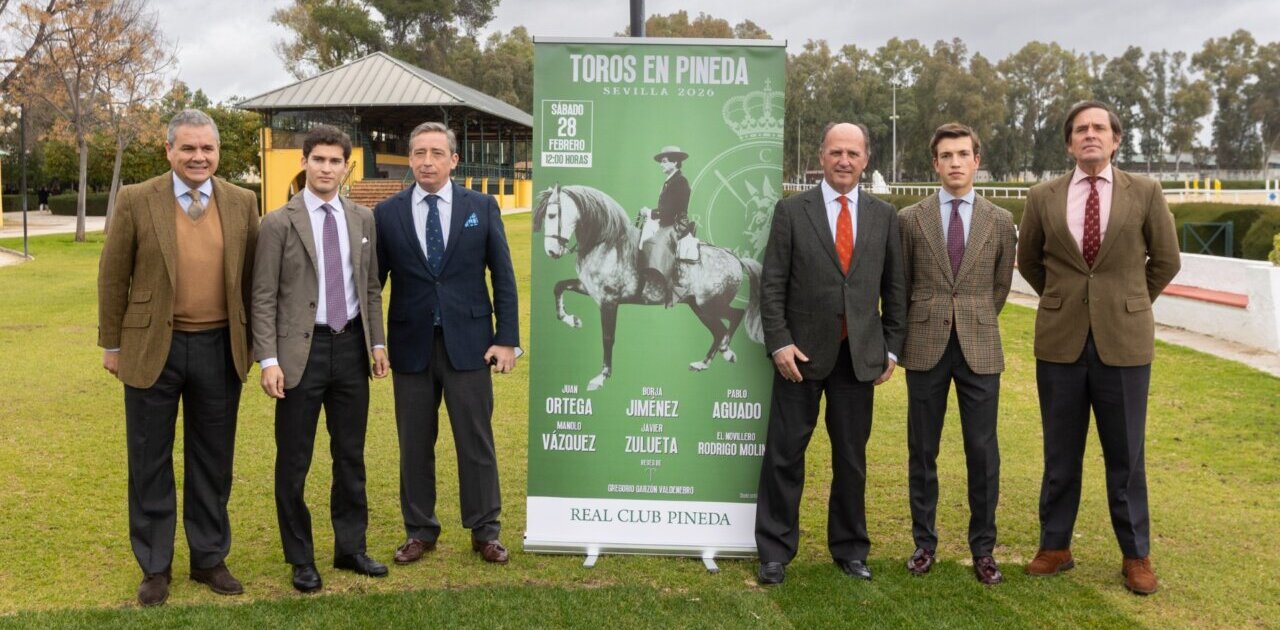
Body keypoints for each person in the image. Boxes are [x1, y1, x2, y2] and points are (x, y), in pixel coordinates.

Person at [97, 109, 259, 607]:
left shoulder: (242, 201)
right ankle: (155, 565)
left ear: (218, 152)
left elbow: (254, 279)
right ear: (168, 151)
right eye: (188, 148)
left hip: (219, 347)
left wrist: (256, 344)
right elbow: (112, 274)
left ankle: (208, 558)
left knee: (213, 459)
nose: (198, 157)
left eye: (207, 148)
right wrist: (112, 344)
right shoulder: (136, 199)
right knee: (149, 460)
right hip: (151, 349)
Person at [1018, 100, 1181, 595]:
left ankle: (1136, 555)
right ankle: (1055, 546)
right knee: (1059, 453)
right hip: (1060, 343)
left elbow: (1166, 261)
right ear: (1069, 143)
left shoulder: (1146, 192)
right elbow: (1030, 262)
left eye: (1099, 128)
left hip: (1124, 345)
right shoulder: (1043, 196)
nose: (1090, 135)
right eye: (1080, 129)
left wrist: (1128, 303)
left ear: (1115, 139)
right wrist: (1068, 301)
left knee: (1126, 455)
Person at [754, 122, 906, 585]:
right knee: (784, 455)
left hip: (858, 357)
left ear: (865, 160)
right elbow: (772, 283)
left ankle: (850, 549)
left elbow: (895, 289)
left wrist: (892, 349)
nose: (844, 160)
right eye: (836, 151)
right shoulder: (791, 211)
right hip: (798, 356)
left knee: (851, 459)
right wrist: (779, 342)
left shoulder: (884, 216)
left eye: (853, 153)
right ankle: (775, 552)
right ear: (821, 156)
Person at [251, 125, 391, 593]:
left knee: (350, 456)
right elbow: (263, 296)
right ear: (305, 163)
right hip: (298, 354)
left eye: (335, 161)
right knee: (294, 459)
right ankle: (300, 558)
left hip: (351, 348)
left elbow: (369, 287)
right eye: (319, 160)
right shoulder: (277, 222)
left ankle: (350, 548)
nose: (327, 168)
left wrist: (376, 344)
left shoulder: (363, 219)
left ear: (347, 167)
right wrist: (268, 360)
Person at [373, 122, 520, 566]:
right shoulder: (388, 213)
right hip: (410, 346)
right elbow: (372, 284)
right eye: (418, 153)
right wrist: (374, 342)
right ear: (410, 158)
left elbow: (503, 275)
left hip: (471, 344)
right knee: (414, 442)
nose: (426, 161)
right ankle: (420, 530)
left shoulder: (482, 206)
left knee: (475, 440)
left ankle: (485, 530)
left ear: (454, 160)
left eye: (437, 153)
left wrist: (507, 339)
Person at [897, 123, 1017, 585]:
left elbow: (1000, 286)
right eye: (946, 155)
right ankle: (924, 544)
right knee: (922, 450)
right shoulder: (910, 219)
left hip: (980, 346)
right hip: (925, 346)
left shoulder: (1000, 220)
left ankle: (983, 549)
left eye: (963, 154)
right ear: (935, 163)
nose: (955, 162)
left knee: (982, 452)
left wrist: (974, 317)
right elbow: (902, 284)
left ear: (976, 160)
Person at [640, 145, 691, 306]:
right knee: (642, 235)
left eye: (664, 161)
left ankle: (665, 287)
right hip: (667, 221)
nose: (661, 165)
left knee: (652, 242)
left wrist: (649, 213)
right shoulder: (670, 181)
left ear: (675, 162)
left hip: (676, 224)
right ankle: (646, 277)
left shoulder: (680, 182)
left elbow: (669, 212)